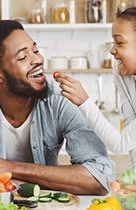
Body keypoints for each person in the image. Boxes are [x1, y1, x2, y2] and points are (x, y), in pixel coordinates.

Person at [0, 20, 114, 195]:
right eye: (22, 57)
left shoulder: (61, 98)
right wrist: (56, 180)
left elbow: (100, 178)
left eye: (35, 51)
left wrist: (9, 168)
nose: (38, 60)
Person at [54, 7, 136, 169]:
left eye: (119, 42)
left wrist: (84, 102)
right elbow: (130, 123)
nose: (112, 50)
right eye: (113, 42)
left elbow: (120, 145)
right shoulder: (121, 71)